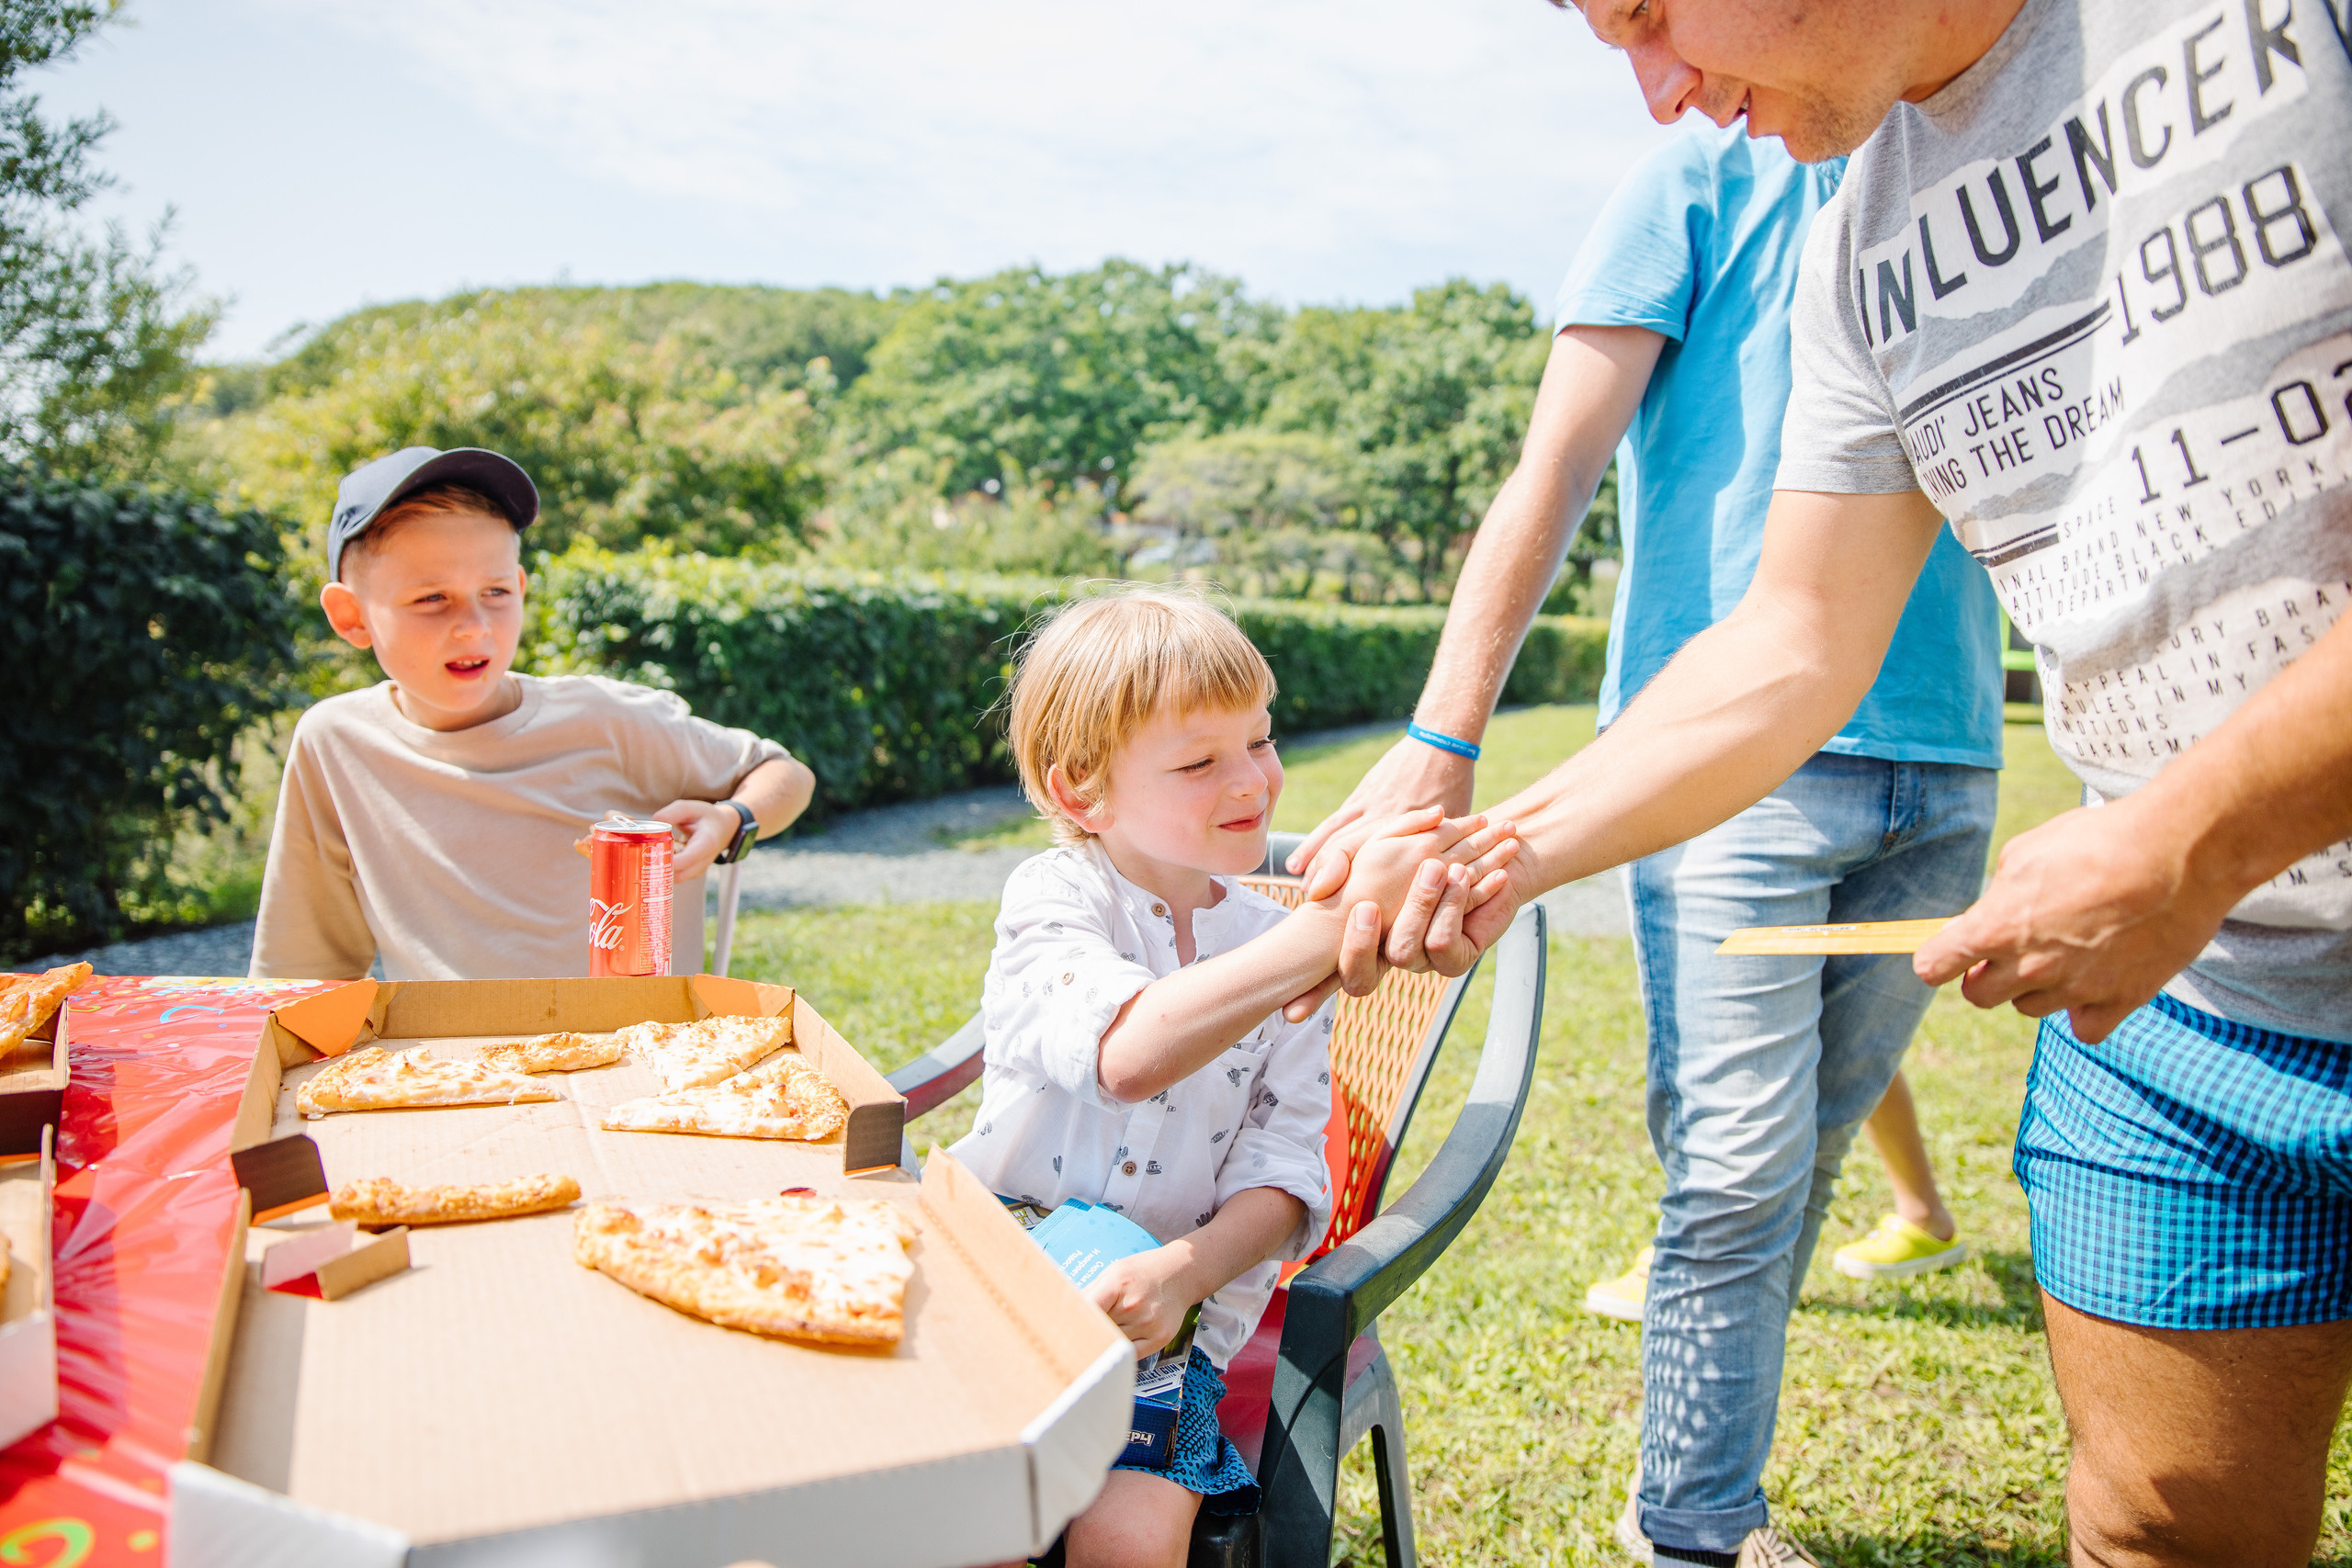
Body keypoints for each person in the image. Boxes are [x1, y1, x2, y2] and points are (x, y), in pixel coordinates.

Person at [1306, 1, 2352, 1562]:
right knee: (2157, 1520)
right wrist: (1492, 849)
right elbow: (1795, 637)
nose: (1659, 92)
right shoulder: (1858, 239)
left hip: (2166, 880)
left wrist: (2186, 837)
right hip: (2190, 1010)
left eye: (1649, 12)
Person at [1300, 118, 2000, 1564]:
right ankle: (1695, 1526)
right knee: (1737, 1161)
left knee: (1808, 1152)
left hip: (1951, 752)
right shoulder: (1696, 177)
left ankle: (1698, 1490)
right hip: (1723, 756)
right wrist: (1443, 730)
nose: (1663, 74)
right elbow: (1555, 463)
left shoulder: (1957, 157)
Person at [951, 586, 1516, 1568]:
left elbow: (1287, 1173)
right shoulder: (1055, 899)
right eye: (1198, 762)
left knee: (1131, 1542)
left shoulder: (1279, 942)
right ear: (1082, 791)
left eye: (1259, 739)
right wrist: (1322, 930)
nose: (1252, 779)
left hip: (1166, 1331)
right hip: (1004, 1300)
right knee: (978, 1524)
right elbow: (1129, 1056)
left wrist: (1184, 1274)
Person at [250, 446, 816, 981]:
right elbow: (302, 976)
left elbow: (784, 773)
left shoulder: (608, 719)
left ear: (520, 588)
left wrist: (732, 819)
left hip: (639, 1047)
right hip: (446, 1054)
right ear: (351, 616)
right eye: (431, 598)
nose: (474, 626)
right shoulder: (335, 743)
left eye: (495, 592)